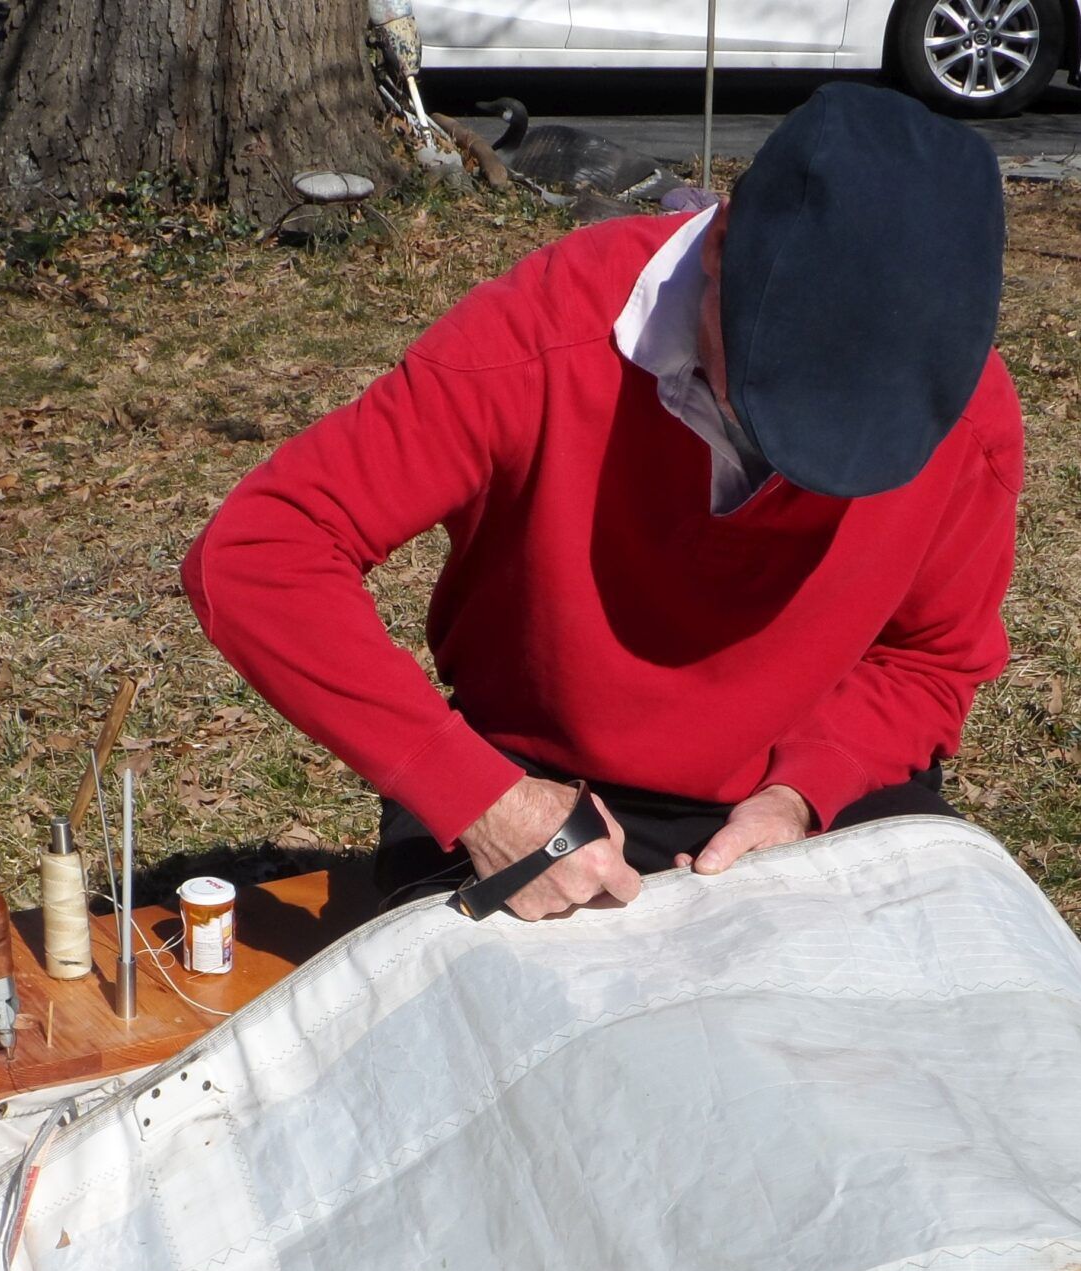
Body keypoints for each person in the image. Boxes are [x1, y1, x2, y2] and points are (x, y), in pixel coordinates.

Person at [181, 83, 1022, 922]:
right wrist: (485, 801)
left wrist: (806, 792)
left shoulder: (963, 411)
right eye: (783, 393)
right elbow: (262, 550)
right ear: (722, 246)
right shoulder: (542, 335)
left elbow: (930, 658)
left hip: (807, 783)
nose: (802, 458)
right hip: (535, 779)